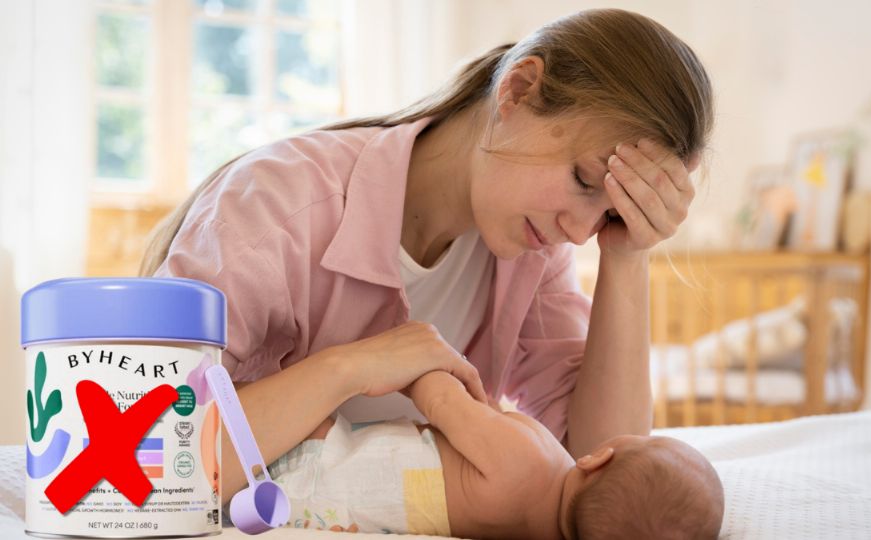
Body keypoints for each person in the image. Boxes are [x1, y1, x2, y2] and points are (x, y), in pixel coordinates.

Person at [139, 7, 714, 507]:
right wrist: (351, 368)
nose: (580, 231)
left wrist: (628, 256)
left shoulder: (533, 252)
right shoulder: (277, 204)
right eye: (586, 180)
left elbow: (599, 473)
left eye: (611, 214)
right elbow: (148, 453)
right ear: (517, 91)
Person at [265, 369, 724, 539]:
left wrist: (422, 366)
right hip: (327, 511)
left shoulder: (531, 458)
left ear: (596, 458)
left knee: (255, 404)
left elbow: (444, 406)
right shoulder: (538, 528)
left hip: (322, 458)